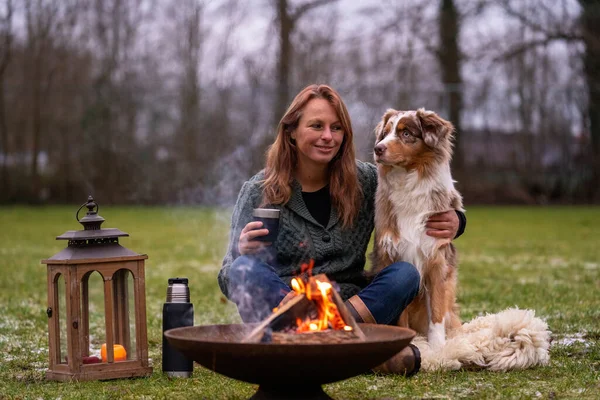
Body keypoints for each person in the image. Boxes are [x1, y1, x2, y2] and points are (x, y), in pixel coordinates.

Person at [217, 84, 465, 376]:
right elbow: (229, 276)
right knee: (244, 269)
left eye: (336, 128)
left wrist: (458, 221)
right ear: (291, 132)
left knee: (405, 275)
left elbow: (423, 192)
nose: (327, 136)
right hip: (284, 303)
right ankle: (340, 342)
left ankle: (305, 344)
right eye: (316, 126)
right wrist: (242, 251)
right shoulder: (258, 190)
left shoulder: (368, 180)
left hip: (355, 305)